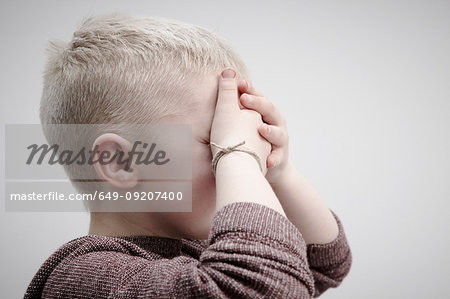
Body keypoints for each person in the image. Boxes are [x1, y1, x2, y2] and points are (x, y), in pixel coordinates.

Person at [24, 13, 351, 298]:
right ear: (119, 162)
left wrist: (279, 170)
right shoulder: (81, 279)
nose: (241, 163)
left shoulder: (201, 251)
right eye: (215, 140)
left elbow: (323, 263)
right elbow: (262, 287)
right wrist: (237, 156)